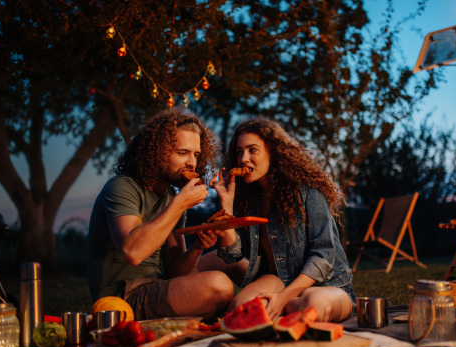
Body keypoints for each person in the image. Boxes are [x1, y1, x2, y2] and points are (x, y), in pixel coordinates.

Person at [87, 109, 245, 320]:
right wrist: (180, 204)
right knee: (219, 285)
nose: (192, 163)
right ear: (157, 153)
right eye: (183, 153)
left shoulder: (170, 195)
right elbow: (132, 253)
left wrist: (198, 246)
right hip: (120, 297)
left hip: (156, 284)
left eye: (196, 155)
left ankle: (275, 305)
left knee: (233, 261)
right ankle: (227, 314)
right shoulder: (122, 187)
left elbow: (175, 270)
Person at [210, 117, 355, 322]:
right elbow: (233, 256)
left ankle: (285, 307)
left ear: (273, 151)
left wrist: (283, 298)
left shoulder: (307, 189)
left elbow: (324, 256)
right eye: (239, 151)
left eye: (252, 150)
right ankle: (284, 310)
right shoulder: (248, 198)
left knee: (313, 306)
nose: (243, 159)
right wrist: (226, 202)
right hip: (277, 279)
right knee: (239, 309)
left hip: (324, 284)